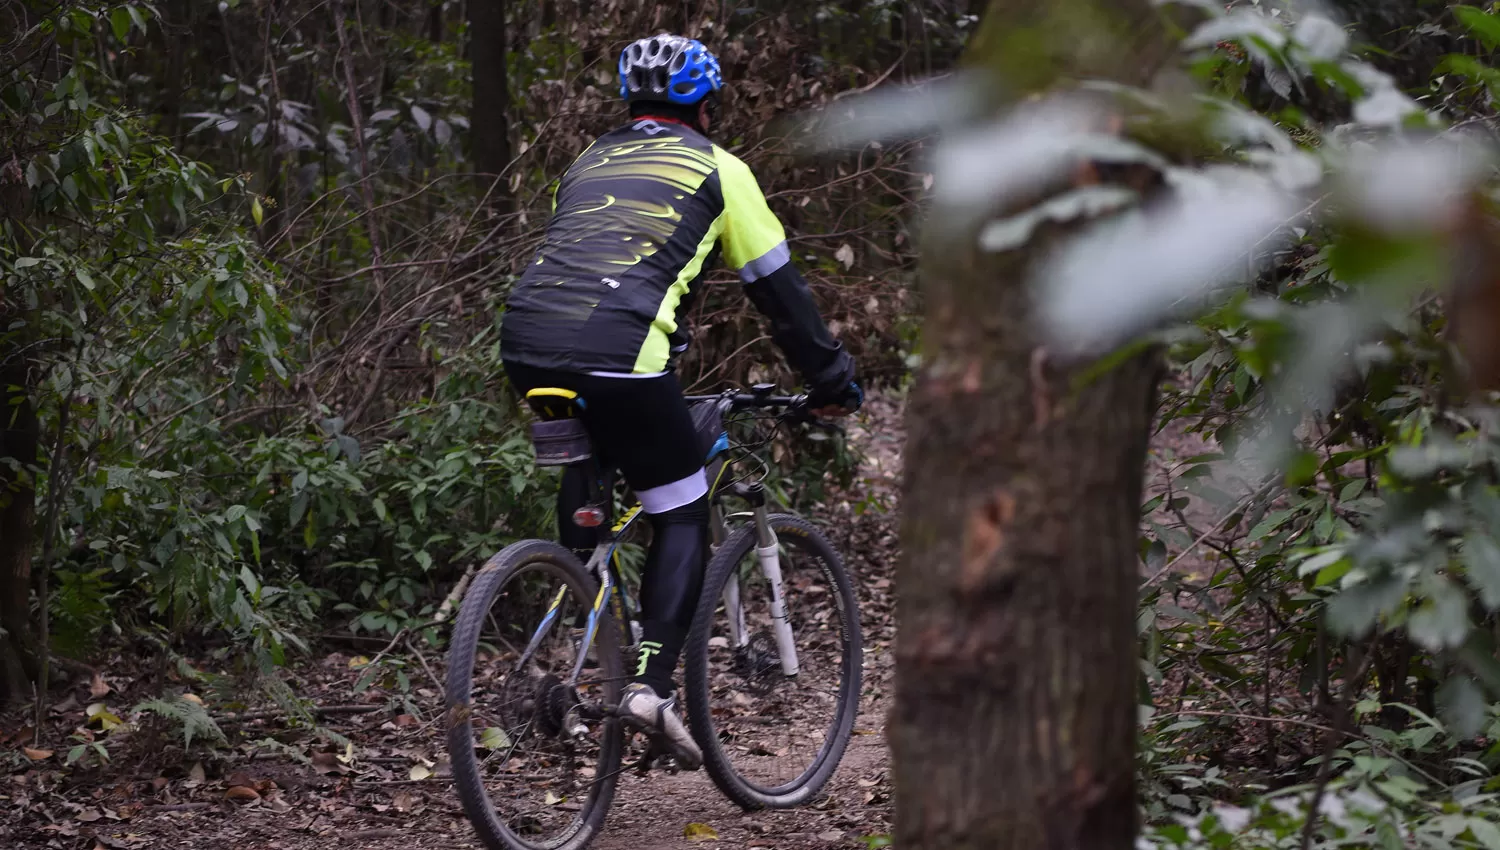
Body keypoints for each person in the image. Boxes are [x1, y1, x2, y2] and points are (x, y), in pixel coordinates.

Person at [498, 33, 862, 768]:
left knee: (596, 477)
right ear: (706, 104)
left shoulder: (588, 160)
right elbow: (781, 295)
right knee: (682, 508)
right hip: (623, 353)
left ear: (631, 102)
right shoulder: (721, 171)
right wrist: (831, 381)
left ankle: (579, 579)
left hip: (525, 342)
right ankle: (650, 688)